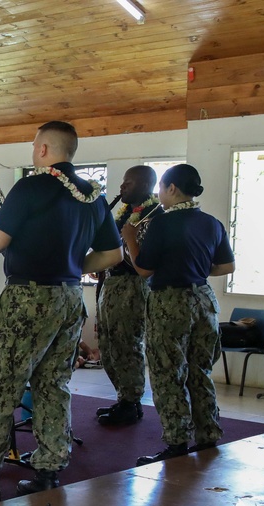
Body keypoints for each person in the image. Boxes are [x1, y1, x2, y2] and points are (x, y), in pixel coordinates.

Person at [0, 121, 122, 504]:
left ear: (44, 149)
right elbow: (113, 255)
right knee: (53, 384)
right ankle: (48, 470)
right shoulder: (93, 195)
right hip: (69, 297)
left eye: (34, 145)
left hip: (27, 298)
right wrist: (74, 265)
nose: (33, 150)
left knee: (0, 382)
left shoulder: (31, 187)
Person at [122, 164, 235, 465]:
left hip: (170, 301)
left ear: (172, 189)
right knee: (200, 370)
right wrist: (197, 268)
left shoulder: (163, 223)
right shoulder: (212, 223)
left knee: (166, 372)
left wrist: (130, 239)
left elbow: (144, 269)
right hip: (204, 300)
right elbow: (226, 267)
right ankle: (208, 433)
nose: (159, 194)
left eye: (161, 188)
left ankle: (176, 441)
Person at [96, 166, 162, 426]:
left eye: (128, 182)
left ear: (146, 185)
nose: (122, 187)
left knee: (126, 343)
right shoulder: (124, 214)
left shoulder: (153, 214)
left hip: (132, 287)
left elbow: (143, 258)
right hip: (112, 284)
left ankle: (132, 402)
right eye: (123, 182)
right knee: (108, 344)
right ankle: (123, 398)